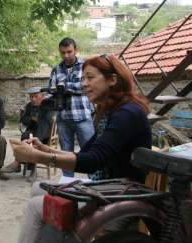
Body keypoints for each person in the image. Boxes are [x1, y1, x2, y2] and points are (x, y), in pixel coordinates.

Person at [12, 54, 152, 243]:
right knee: (38, 188)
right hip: (106, 188)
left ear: (112, 80)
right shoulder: (111, 112)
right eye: (83, 78)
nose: (84, 84)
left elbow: (92, 162)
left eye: (90, 77)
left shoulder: (127, 113)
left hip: (119, 195)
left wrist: (37, 157)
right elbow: (85, 154)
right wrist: (45, 149)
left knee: (35, 206)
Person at [49, 37, 95, 178]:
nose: (66, 55)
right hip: (64, 118)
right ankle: (67, 185)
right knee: (65, 155)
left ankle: (95, 183)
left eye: (69, 52)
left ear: (76, 50)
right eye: (63, 52)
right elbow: (52, 89)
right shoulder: (56, 69)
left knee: (91, 154)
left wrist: (65, 87)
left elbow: (87, 86)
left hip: (83, 117)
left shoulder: (86, 66)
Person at [0, 87, 54, 182]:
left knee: (33, 136)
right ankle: (23, 165)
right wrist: (32, 119)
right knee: (26, 136)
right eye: (31, 97)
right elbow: (24, 120)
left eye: (35, 96)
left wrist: (39, 117)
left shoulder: (48, 106)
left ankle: (22, 165)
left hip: (45, 137)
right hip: (31, 135)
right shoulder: (29, 106)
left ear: (42, 96)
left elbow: (50, 121)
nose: (33, 99)